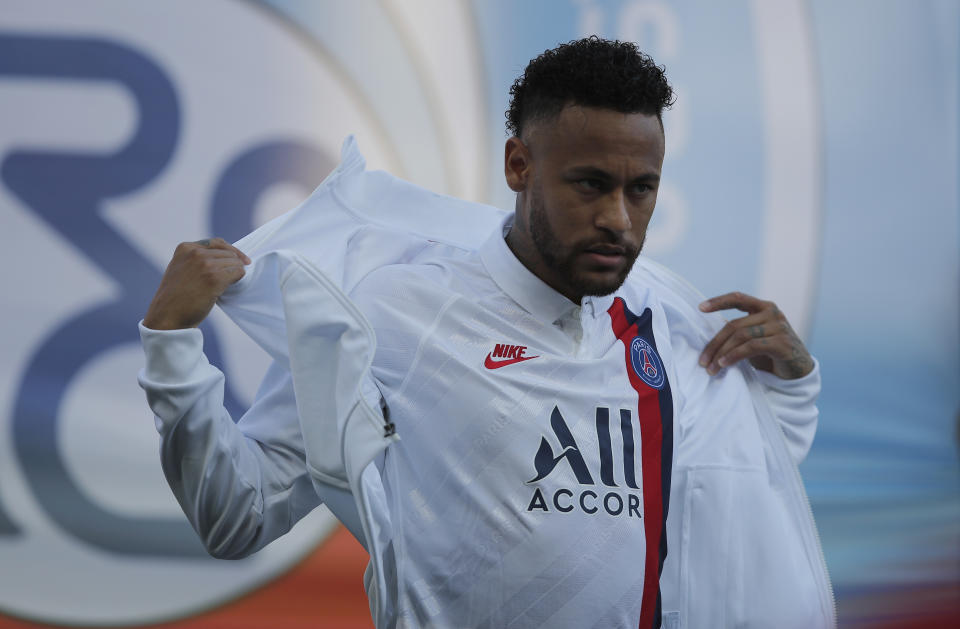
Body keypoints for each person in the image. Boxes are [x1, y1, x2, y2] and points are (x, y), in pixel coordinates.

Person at [139, 37, 834, 628]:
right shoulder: (391, 310)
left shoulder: (665, 328)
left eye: (640, 189)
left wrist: (795, 384)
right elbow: (238, 515)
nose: (619, 220)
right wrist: (171, 344)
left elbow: (739, 480)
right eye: (589, 184)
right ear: (518, 165)